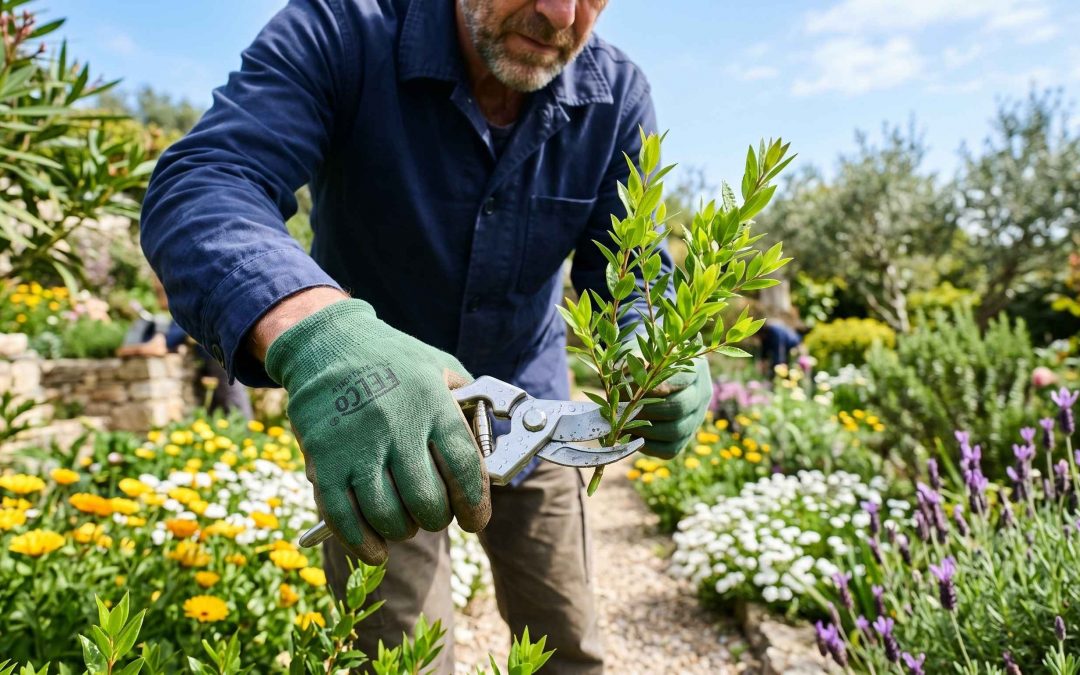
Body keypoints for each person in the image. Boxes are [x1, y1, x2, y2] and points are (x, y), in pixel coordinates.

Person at [141, 1, 711, 671]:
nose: (560, 13)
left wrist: (660, 342)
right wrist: (320, 335)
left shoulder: (615, 97)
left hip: (531, 417)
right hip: (379, 420)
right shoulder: (342, 28)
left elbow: (630, 270)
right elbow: (208, 181)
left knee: (568, 646)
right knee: (399, 660)